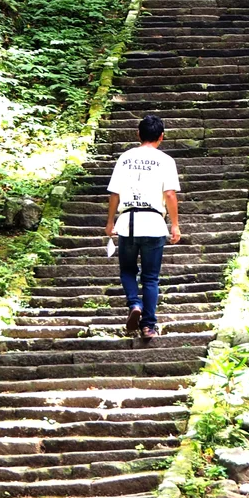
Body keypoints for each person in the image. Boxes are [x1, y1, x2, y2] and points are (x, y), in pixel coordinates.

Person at [105, 113, 181, 340]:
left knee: (128, 271)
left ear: (138, 134)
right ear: (161, 137)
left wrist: (110, 222)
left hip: (127, 223)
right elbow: (169, 194)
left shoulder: (125, 158)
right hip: (155, 224)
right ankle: (148, 326)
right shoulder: (166, 160)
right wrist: (175, 225)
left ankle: (134, 304)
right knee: (150, 278)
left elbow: (115, 193)